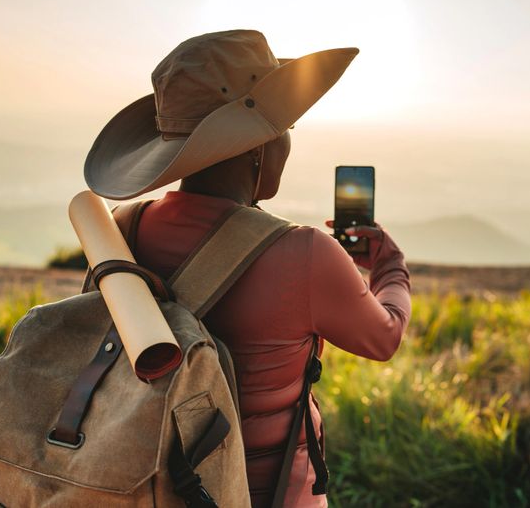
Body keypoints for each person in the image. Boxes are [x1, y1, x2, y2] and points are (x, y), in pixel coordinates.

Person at [83, 30, 411, 507]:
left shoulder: (122, 228)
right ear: (258, 147)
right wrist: (390, 265)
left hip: (143, 489)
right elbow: (385, 338)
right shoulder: (304, 252)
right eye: (286, 128)